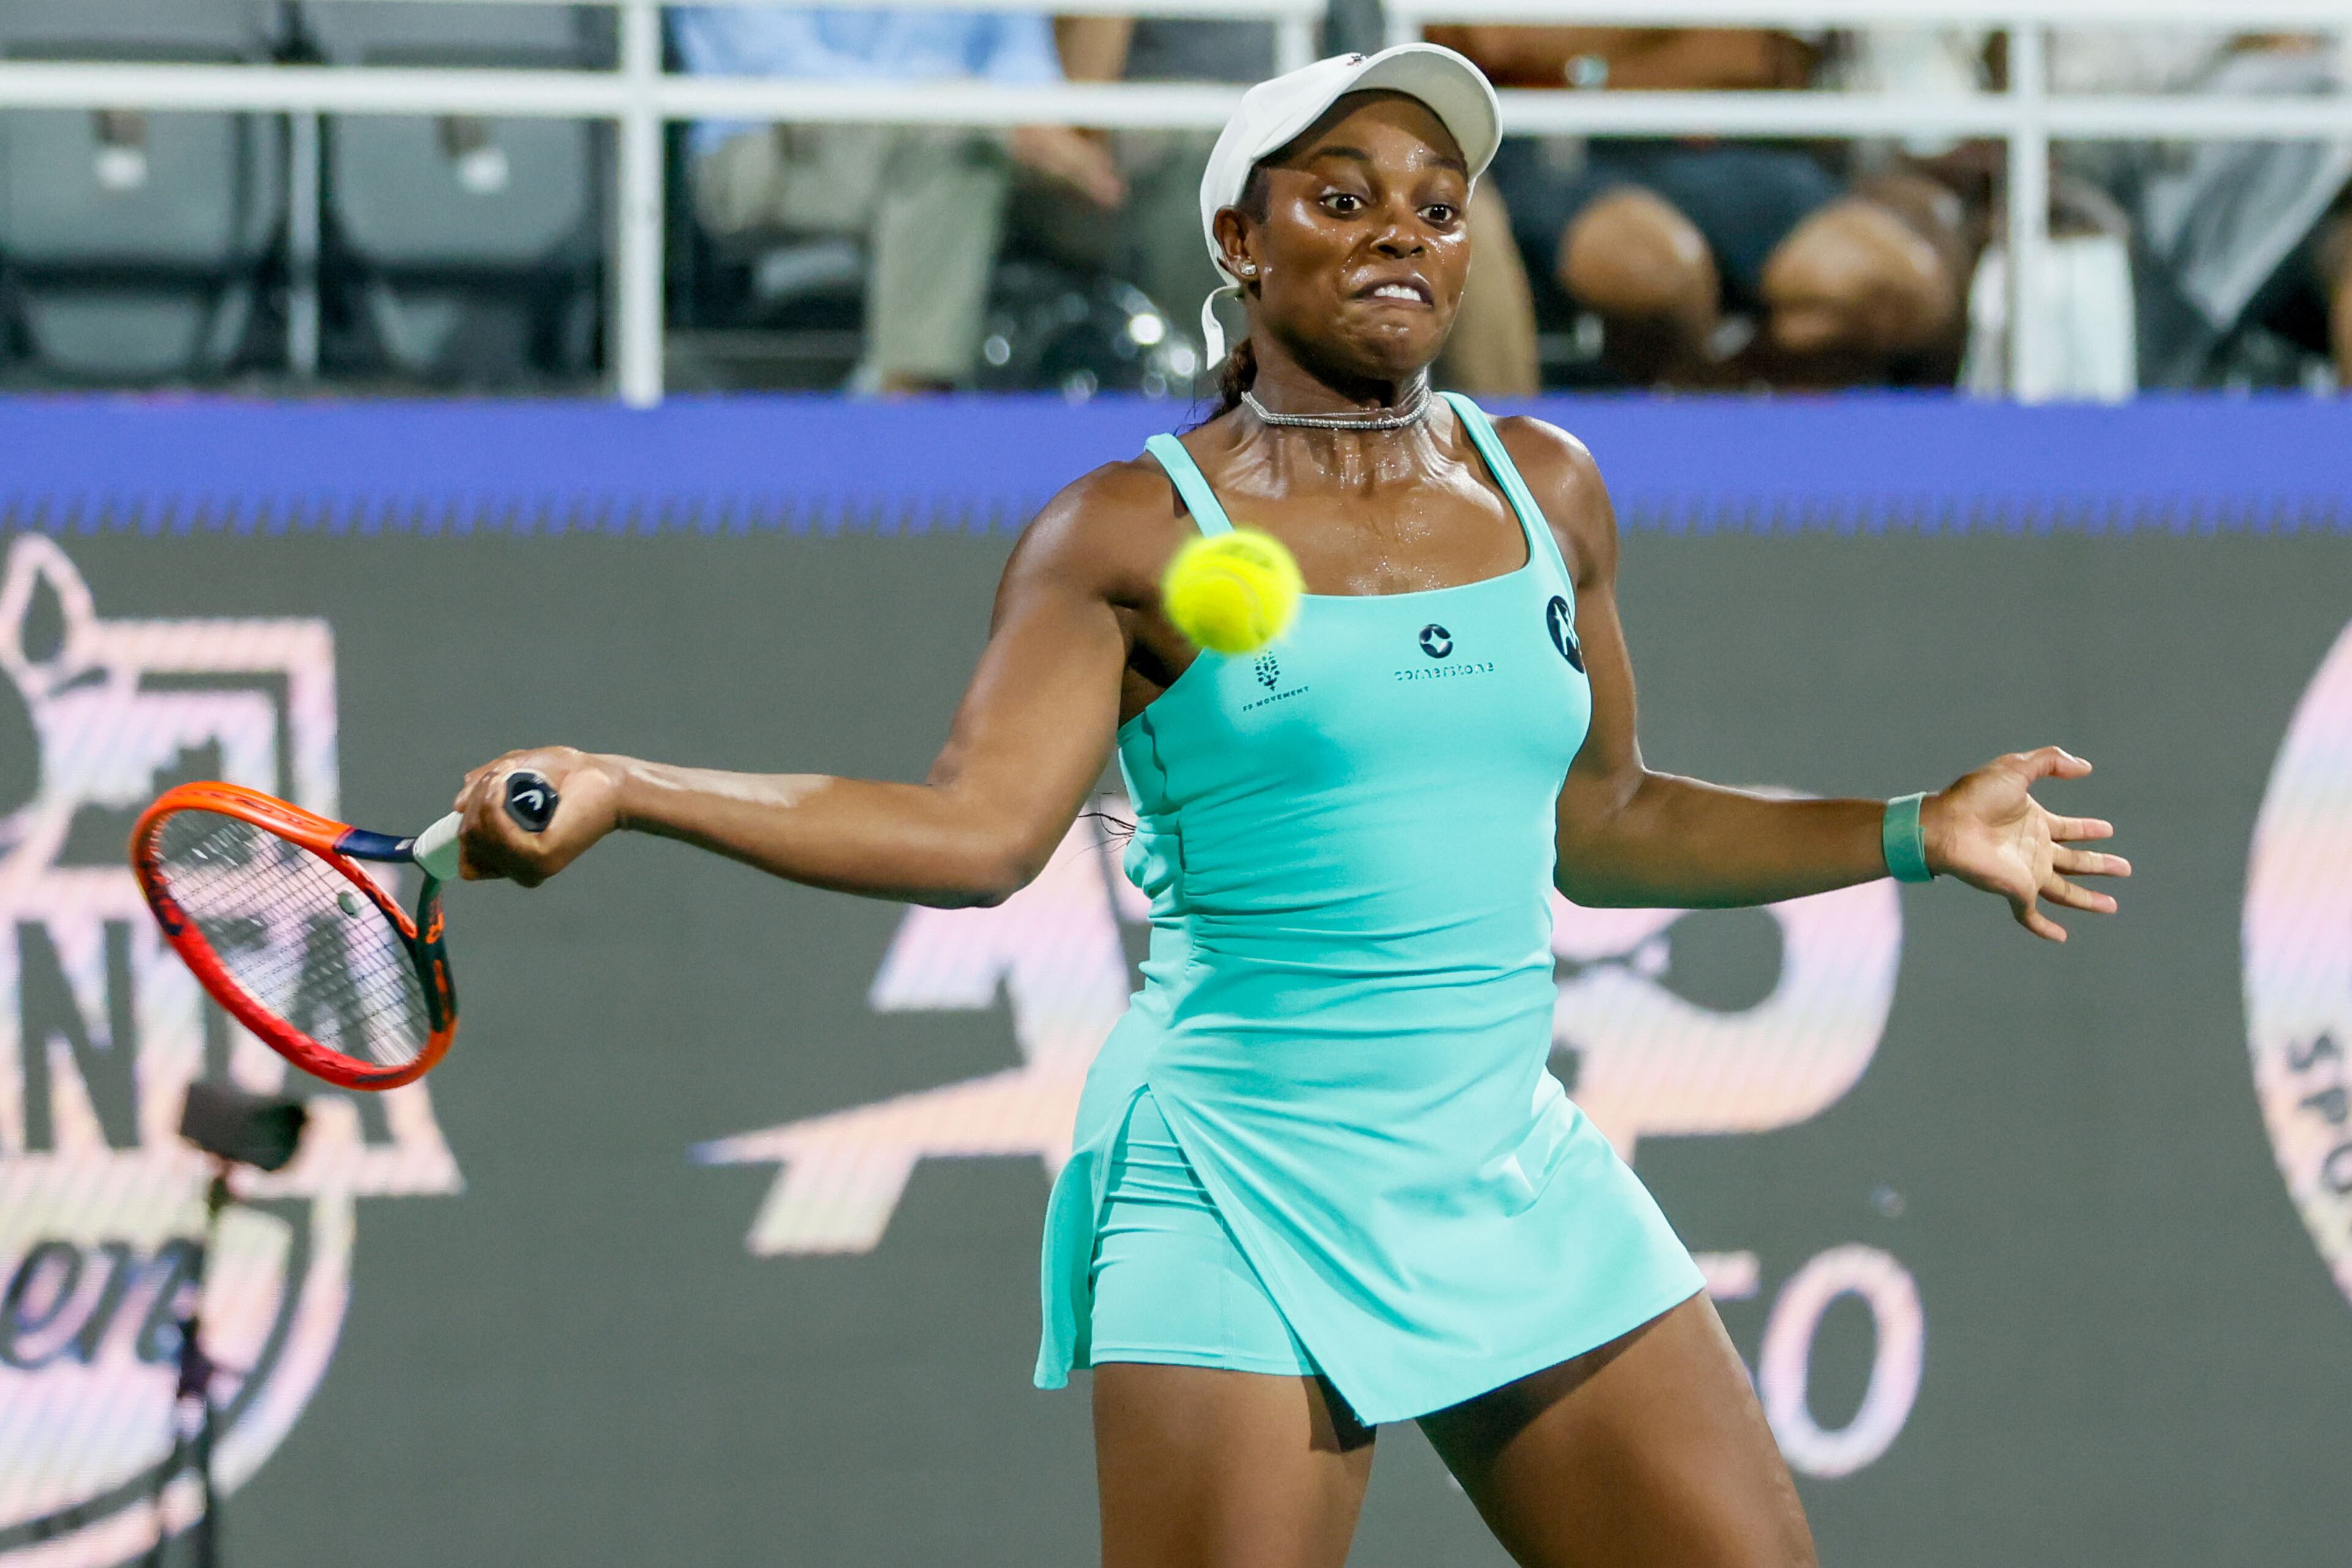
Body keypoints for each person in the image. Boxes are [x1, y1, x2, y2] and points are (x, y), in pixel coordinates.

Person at [451, 45, 2129, 1566]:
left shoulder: (1548, 484)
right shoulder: (1123, 532)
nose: (1402, 235)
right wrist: (631, 785)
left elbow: (1605, 822)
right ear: (1242, 246)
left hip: (1505, 1165)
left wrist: (1918, 826)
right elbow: (970, 837)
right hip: (1240, 1177)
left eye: (1437, 206)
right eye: (1341, 201)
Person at [1434, 26, 1966, 388]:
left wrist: (1600, 49)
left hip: (1739, 147)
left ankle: (1725, 393)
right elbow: (1483, 35)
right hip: (1562, 151)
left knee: (1901, 286)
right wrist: (1673, 35)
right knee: (1658, 270)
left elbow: (1761, 52)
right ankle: (1675, 416)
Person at [673, 6, 1125, 392]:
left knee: (1163, 155)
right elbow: (781, 68)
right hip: (768, 139)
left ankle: (1181, 407)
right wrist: (966, 106)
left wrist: (1042, 124)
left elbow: (1020, 54)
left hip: (977, 125)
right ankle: (907, 410)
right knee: (952, 145)